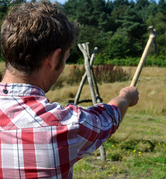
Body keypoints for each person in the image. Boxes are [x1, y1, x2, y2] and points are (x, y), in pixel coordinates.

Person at [0, 2, 139, 179]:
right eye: (65, 58)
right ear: (54, 57)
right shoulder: (65, 126)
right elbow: (107, 118)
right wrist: (125, 97)